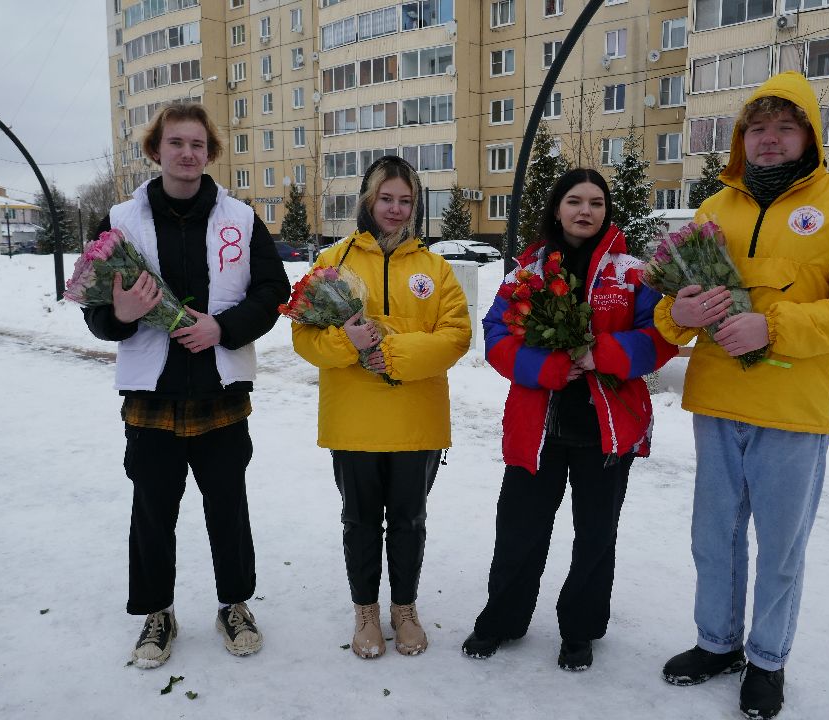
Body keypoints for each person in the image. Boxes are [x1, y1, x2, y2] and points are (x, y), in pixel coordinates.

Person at [655, 72, 829, 719]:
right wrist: (679, 313)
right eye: (758, 128)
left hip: (794, 409)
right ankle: (717, 643)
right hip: (717, 401)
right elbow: (675, 305)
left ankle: (766, 659)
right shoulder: (714, 208)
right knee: (714, 538)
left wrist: (774, 325)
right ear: (742, 137)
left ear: (809, 136)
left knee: (780, 548)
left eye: (785, 127)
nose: (769, 139)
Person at [82, 104, 291, 668]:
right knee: (152, 511)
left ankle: (234, 605)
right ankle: (157, 612)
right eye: (175, 142)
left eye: (197, 144)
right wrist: (120, 314)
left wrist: (223, 327)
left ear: (210, 152)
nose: (187, 153)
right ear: (156, 150)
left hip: (221, 391)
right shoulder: (120, 220)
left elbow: (273, 291)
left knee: (228, 508)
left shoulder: (240, 218)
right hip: (151, 396)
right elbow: (96, 313)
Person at [462, 168, 678, 671]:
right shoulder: (527, 272)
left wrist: (601, 354)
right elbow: (496, 335)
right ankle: (502, 618)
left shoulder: (633, 273)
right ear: (557, 209)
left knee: (596, 537)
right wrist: (548, 368)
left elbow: (660, 338)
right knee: (519, 530)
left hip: (606, 429)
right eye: (575, 201)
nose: (586, 211)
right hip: (538, 428)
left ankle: (580, 629)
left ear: (607, 211)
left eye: (596, 203)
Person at [292, 156, 471, 659]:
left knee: (410, 520)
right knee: (360, 520)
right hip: (354, 421)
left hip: (417, 420)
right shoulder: (333, 263)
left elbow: (456, 336)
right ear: (367, 200)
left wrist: (388, 353)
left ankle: (404, 609)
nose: (395, 209)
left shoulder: (434, 268)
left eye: (405, 200)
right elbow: (304, 338)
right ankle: (366, 611)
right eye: (386, 198)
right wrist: (346, 342)